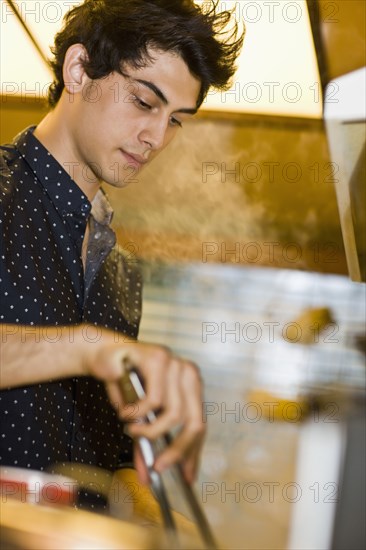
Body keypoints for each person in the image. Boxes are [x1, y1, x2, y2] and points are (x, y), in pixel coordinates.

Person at [0, 0, 243, 506]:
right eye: (143, 101)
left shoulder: (121, 271)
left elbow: (99, 460)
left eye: (176, 120)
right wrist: (92, 346)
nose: (156, 137)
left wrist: (143, 490)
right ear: (79, 70)